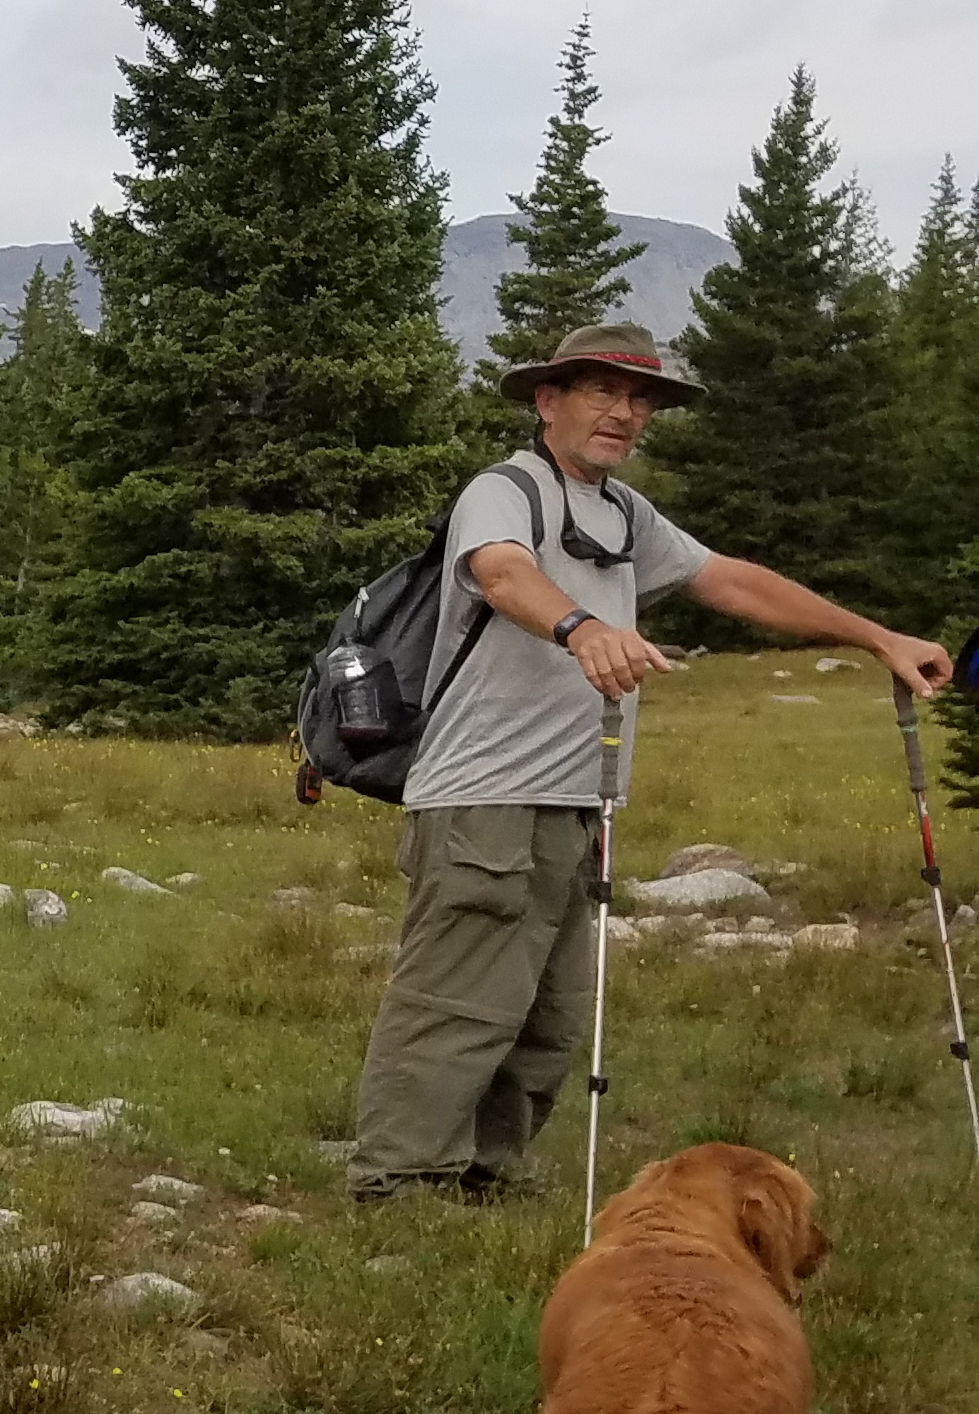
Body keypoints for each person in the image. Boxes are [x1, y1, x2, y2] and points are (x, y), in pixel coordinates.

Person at [346, 323, 952, 1200]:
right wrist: (583, 628)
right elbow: (504, 573)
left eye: (640, 400)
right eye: (602, 391)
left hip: (576, 803)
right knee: (457, 1005)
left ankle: (482, 1181)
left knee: (548, 1019)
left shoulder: (624, 514)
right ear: (547, 401)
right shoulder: (506, 490)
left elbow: (733, 581)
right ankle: (398, 1188)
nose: (624, 413)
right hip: (484, 798)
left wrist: (877, 637)